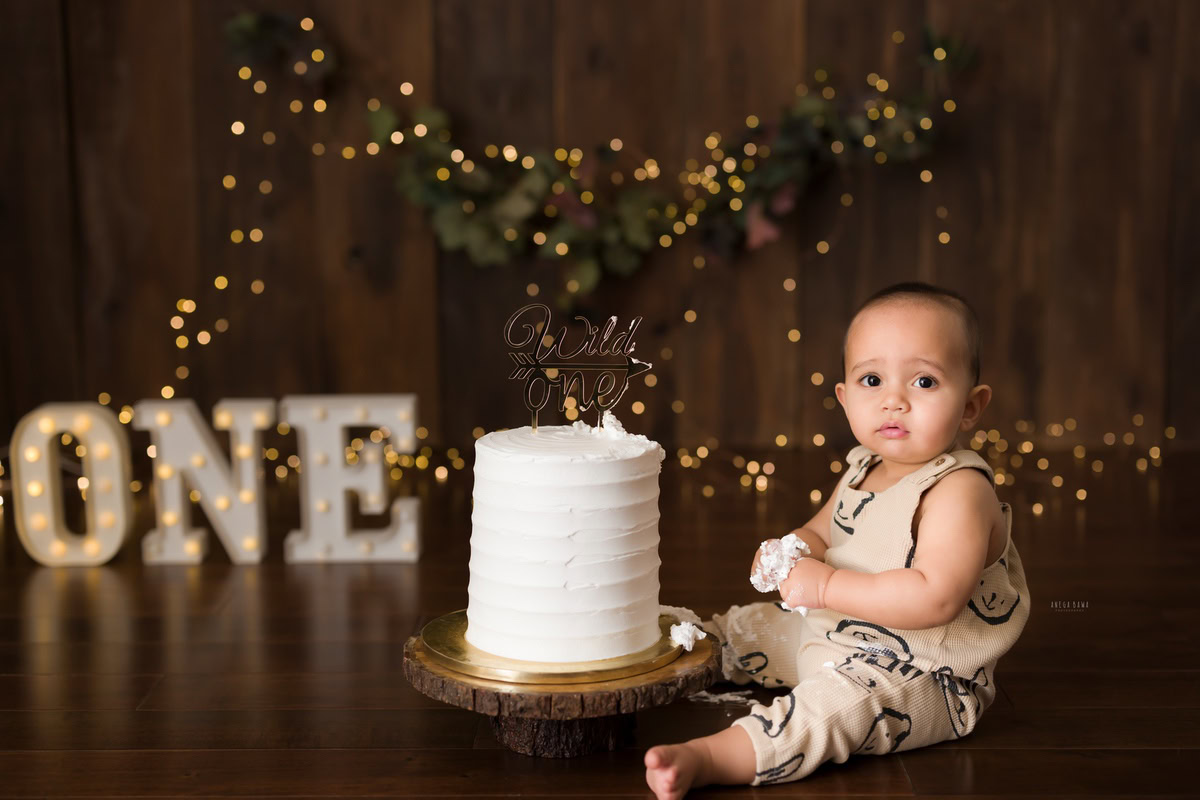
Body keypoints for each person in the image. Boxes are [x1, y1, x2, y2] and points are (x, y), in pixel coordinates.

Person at [644, 281, 1031, 798]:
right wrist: (791, 549)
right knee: (748, 629)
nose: (893, 400)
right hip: (835, 635)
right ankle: (666, 658)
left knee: (832, 710)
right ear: (846, 399)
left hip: (918, 674)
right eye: (872, 379)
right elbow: (823, 530)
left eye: (924, 381)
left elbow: (935, 595)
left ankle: (717, 756)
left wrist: (824, 588)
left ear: (970, 407)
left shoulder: (959, 490)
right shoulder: (861, 466)